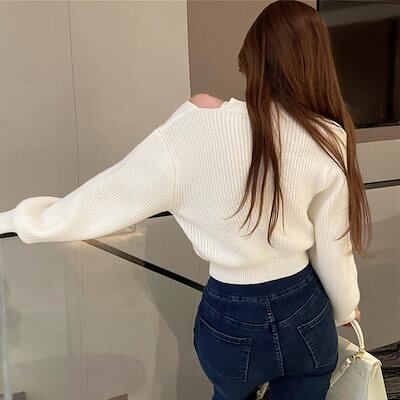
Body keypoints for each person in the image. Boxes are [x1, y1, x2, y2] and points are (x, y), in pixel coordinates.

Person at [0, 1, 370, 399]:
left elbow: (107, 196)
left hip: (231, 312)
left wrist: (17, 221)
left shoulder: (195, 127)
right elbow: (334, 245)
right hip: (304, 308)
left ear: (253, 63)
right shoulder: (328, 136)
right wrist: (345, 306)